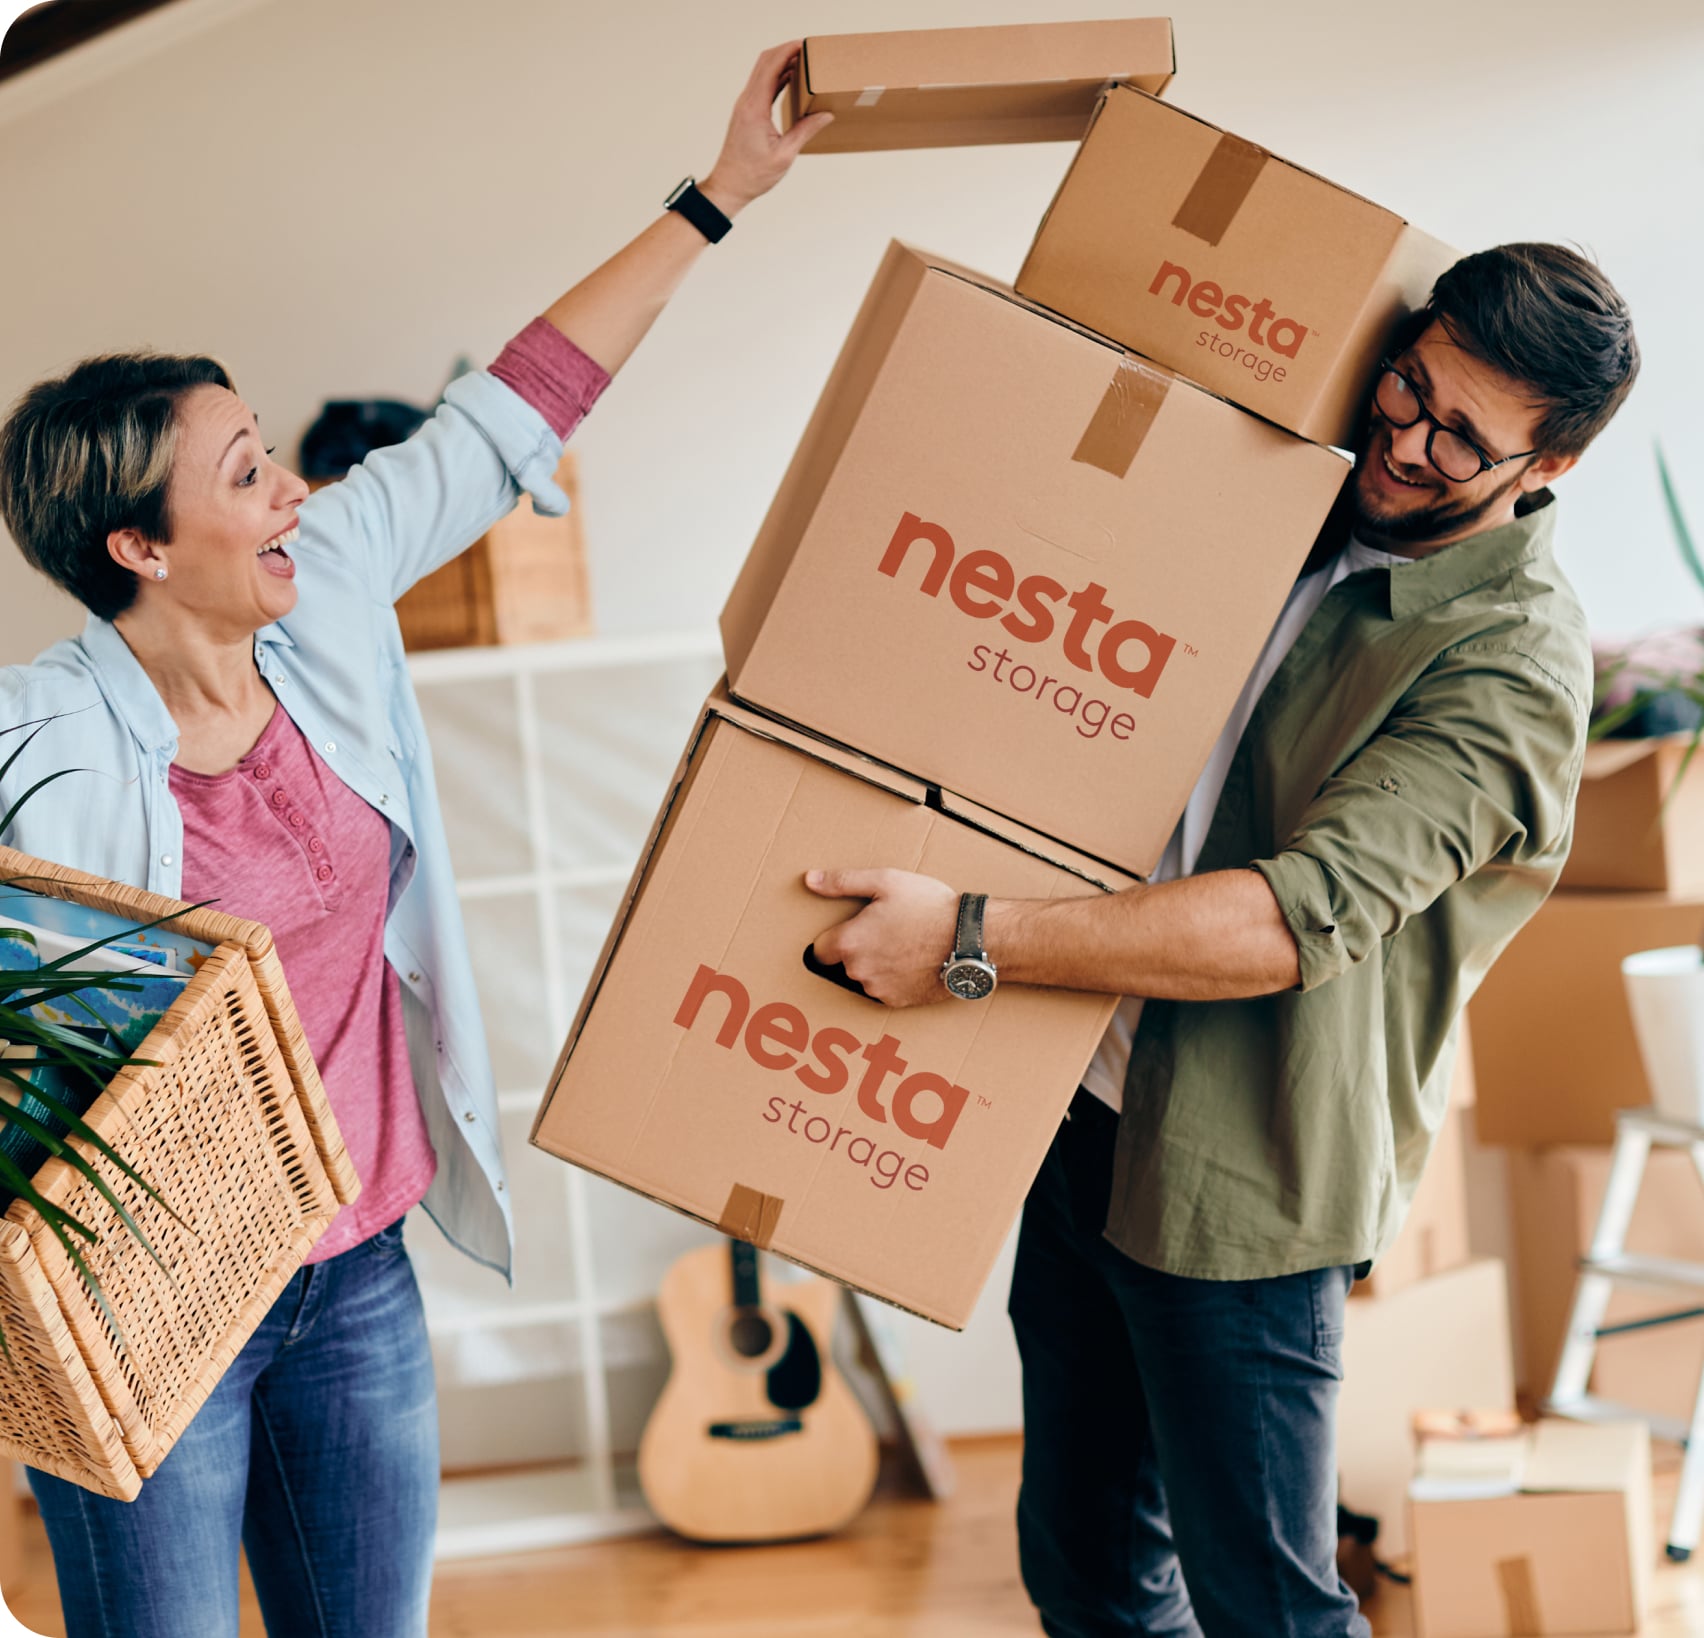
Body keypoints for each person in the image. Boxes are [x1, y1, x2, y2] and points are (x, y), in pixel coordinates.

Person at [0, 42, 829, 1638]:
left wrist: (720, 193)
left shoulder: (326, 605)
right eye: (246, 474)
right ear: (139, 548)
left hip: (356, 1273)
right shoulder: (39, 734)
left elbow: (507, 409)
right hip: (150, 1304)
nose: (295, 488)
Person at [805, 243, 1639, 1635]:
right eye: (1412, 384)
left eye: (1461, 440)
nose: (1406, 440)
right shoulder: (1286, 486)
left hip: (1243, 1177)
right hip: (1082, 1102)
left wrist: (966, 938)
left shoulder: (1511, 663)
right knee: (1084, 1561)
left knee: (1269, 1605)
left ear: (1544, 471)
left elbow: (1283, 921)